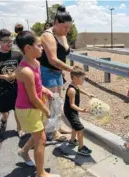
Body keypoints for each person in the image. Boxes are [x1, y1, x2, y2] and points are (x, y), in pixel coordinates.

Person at [15, 30, 60, 177]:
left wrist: (47, 91)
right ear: (28, 48)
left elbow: (38, 86)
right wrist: (47, 111)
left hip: (37, 106)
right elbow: (33, 98)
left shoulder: (36, 63)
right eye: (39, 46)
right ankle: (41, 174)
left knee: (38, 134)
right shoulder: (25, 71)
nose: (42, 48)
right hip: (28, 109)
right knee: (41, 138)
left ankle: (24, 151)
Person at [38, 5, 74, 141]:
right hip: (48, 71)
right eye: (65, 27)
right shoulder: (48, 35)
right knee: (51, 102)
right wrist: (71, 69)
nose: (67, 30)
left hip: (58, 73)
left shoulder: (61, 34)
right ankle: (51, 132)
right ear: (56, 23)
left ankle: (58, 127)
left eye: (69, 27)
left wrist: (63, 70)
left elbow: (64, 51)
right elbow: (53, 60)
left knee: (58, 102)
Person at [0, 29, 24, 137]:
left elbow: (22, 68)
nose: (9, 43)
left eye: (11, 40)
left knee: (18, 109)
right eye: (6, 41)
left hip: (17, 88)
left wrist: (16, 74)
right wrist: (3, 76)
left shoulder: (18, 54)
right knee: (3, 110)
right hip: (2, 89)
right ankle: (4, 120)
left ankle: (19, 128)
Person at [64, 66, 94, 156]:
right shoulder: (71, 90)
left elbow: (79, 90)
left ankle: (72, 141)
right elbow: (72, 105)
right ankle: (81, 148)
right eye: (82, 79)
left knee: (75, 126)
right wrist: (82, 110)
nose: (83, 80)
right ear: (75, 78)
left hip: (72, 111)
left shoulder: (75, 86)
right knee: (80, 128)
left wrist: (87, 94)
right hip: (71, 112)